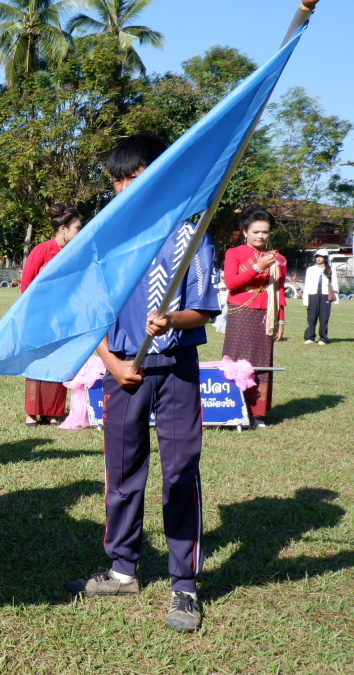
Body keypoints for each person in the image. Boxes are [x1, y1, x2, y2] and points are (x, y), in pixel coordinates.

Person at [65, 133, 219, 634]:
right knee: (123, 468)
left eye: (134, 176)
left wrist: (171, 319)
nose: (124, 188)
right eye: (117, 180)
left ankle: (184, 583)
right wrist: (110, 363)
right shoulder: (107, 238)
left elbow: (204, 308)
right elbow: (89, 312)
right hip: (124, 372)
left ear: (160, 174)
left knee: (180, 470)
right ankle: (122, 569)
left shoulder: (191, 235)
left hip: (175, 367)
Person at [221, 205, 286, 427]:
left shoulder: (277, 258)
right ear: (245, 232)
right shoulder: (234, 253)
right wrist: (257, 267)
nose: (260, 236)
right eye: (256, 231)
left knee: (261, 362)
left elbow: (279, 290)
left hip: (266, 315)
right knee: (238, 360)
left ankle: (256, 413)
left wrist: (280, 320)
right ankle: (233, 407)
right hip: (240, 312)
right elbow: (231, 283)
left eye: (265, 232)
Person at [19, 205, 82, 424]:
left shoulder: (76, 254)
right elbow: (26, 285)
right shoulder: (42, 250)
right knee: (37, 361)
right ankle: (31, 413)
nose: (80, 232)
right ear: (63, 229)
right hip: (40, 317)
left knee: (59, 361)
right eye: (77, 228)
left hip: (64, 318)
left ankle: (52, 412)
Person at [302, 249, 339, 345]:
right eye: (317, 256)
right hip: (312, 294)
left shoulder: (331, 269)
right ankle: (309, 337)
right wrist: (305, 300)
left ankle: (323, 337)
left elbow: (334, 284)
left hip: (326, 294)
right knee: (311, 317)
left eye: (321, 257)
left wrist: (336, 298)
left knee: (324, 317)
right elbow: (307, 285)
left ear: (325, 258)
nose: (318, 258)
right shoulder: (310, 269)